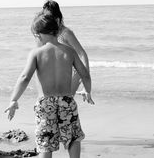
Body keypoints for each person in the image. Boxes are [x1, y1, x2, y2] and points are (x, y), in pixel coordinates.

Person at [5, 13, 94, 158]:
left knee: (45, 142)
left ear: (38, 35)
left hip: (45, 103)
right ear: (56, 31)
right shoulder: (69, 51)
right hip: (67, 101)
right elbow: (84, 74)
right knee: (73, 137)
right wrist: (87, 90)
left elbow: (24, 78)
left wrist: (14, 99)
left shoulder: (37, 53)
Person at [42, 0, 90, 96]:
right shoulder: (49, 34)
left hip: (72, 73)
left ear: (57, 18)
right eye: (45, 17)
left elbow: (82, 54)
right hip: (59, 74)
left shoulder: (66, 33)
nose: (47, 20)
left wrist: (86, 86)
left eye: (49, 17)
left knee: (65, 102)